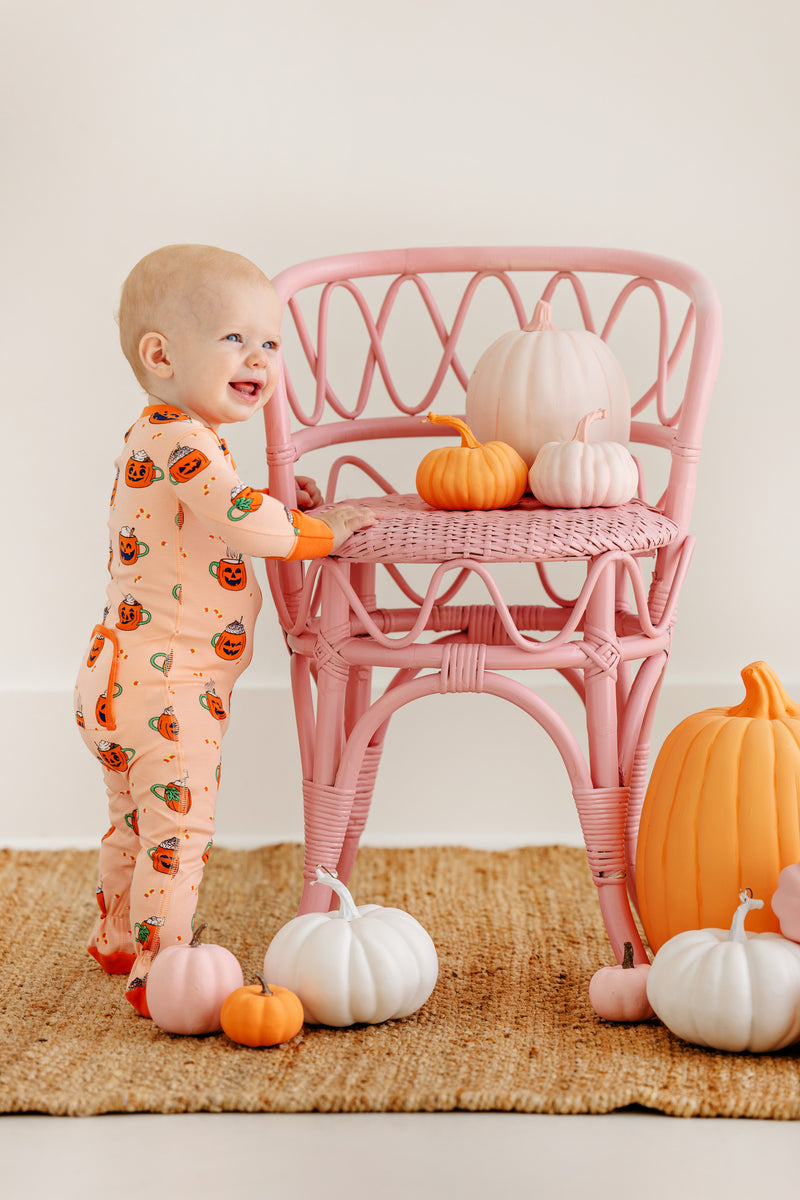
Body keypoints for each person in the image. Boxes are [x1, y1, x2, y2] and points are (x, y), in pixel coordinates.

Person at [74, 243, 376, 1016]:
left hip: (116, 677)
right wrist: (322, 531)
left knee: (133, 824)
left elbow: (219, 508)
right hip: (169, 689)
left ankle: (117, 936)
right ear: (161, 355)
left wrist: (284, 502)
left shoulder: (165, 435)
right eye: (235, 339)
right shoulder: (183, 442)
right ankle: (162, 971)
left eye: (270, 342)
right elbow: (243, 521)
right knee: (177, 834)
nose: (260, 358)